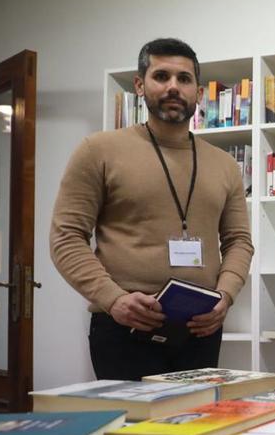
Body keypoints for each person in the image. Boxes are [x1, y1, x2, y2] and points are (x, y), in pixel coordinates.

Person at [51, 37, 253, 380]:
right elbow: (66, 237)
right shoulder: (98, 151)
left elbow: (239, 241)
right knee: (130, 418)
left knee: (199, 416)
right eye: (161, 76)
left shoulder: (224, 165)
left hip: (200, 328)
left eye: (184, 79)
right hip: (124, 328)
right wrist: (113, 299)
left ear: (198, 93)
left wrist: (226, 295)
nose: (173, 87)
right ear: (140, 85)